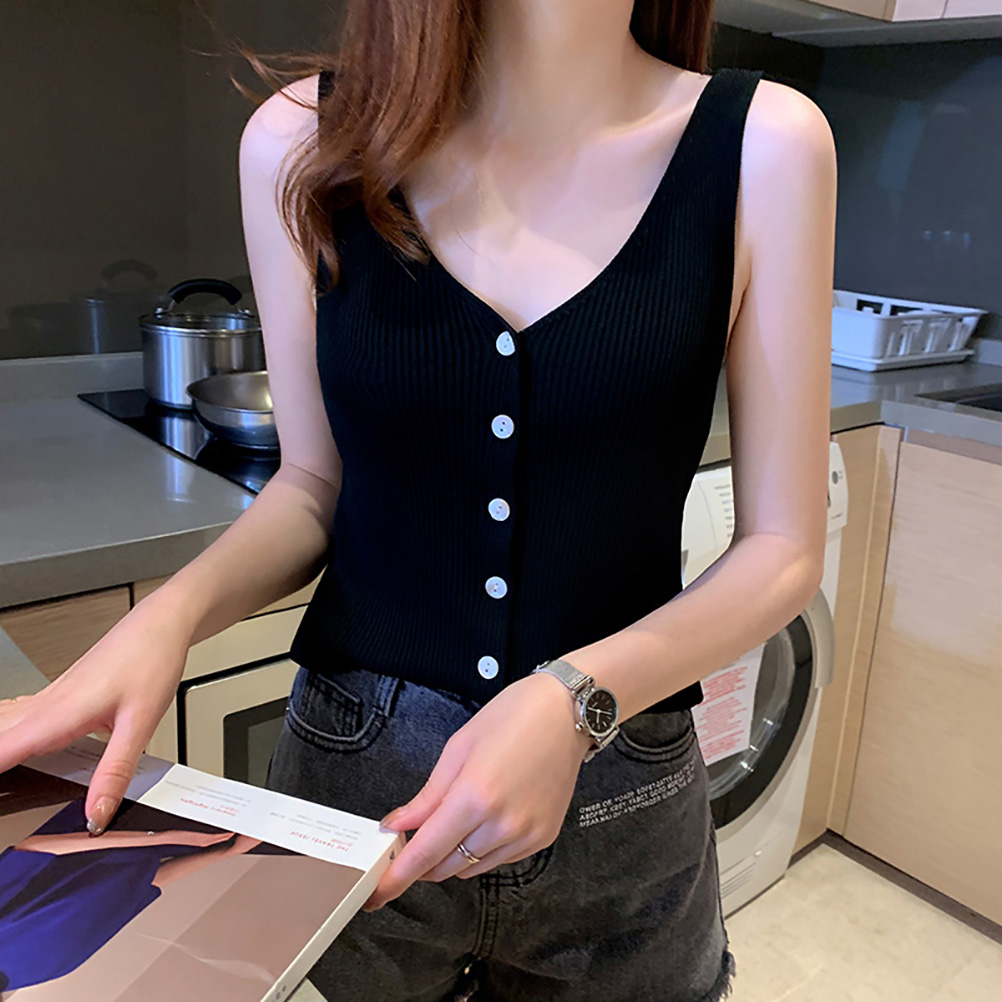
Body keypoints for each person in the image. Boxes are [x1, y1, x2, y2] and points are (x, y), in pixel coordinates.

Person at [0, 1, 836, 999]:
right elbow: (313, 485)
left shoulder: (766, 147)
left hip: (624, 794)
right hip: (352, 791)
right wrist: (167, 620)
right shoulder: (300, 142)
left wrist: (576, 700)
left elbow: (784, 545)